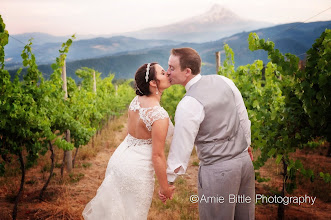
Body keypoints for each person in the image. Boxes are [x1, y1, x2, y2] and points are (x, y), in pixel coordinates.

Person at [162, 48, 255, 219]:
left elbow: (181, 146)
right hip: (244, 164)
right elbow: (243, 116)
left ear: (187, 71)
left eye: (171, 68)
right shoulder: (224, 81)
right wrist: (247, 145)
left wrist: (169, 180)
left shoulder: (188, 103)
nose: (167, 72)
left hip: (218, 172)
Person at [83, 62, 175, 220]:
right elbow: (158, 155)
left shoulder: (136, 101)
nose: (167, 73)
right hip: (136, 170)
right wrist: (165, 187)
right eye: (162, 73)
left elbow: (131, 133)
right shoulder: (158, 115)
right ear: (153, 83)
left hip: (119, 160)